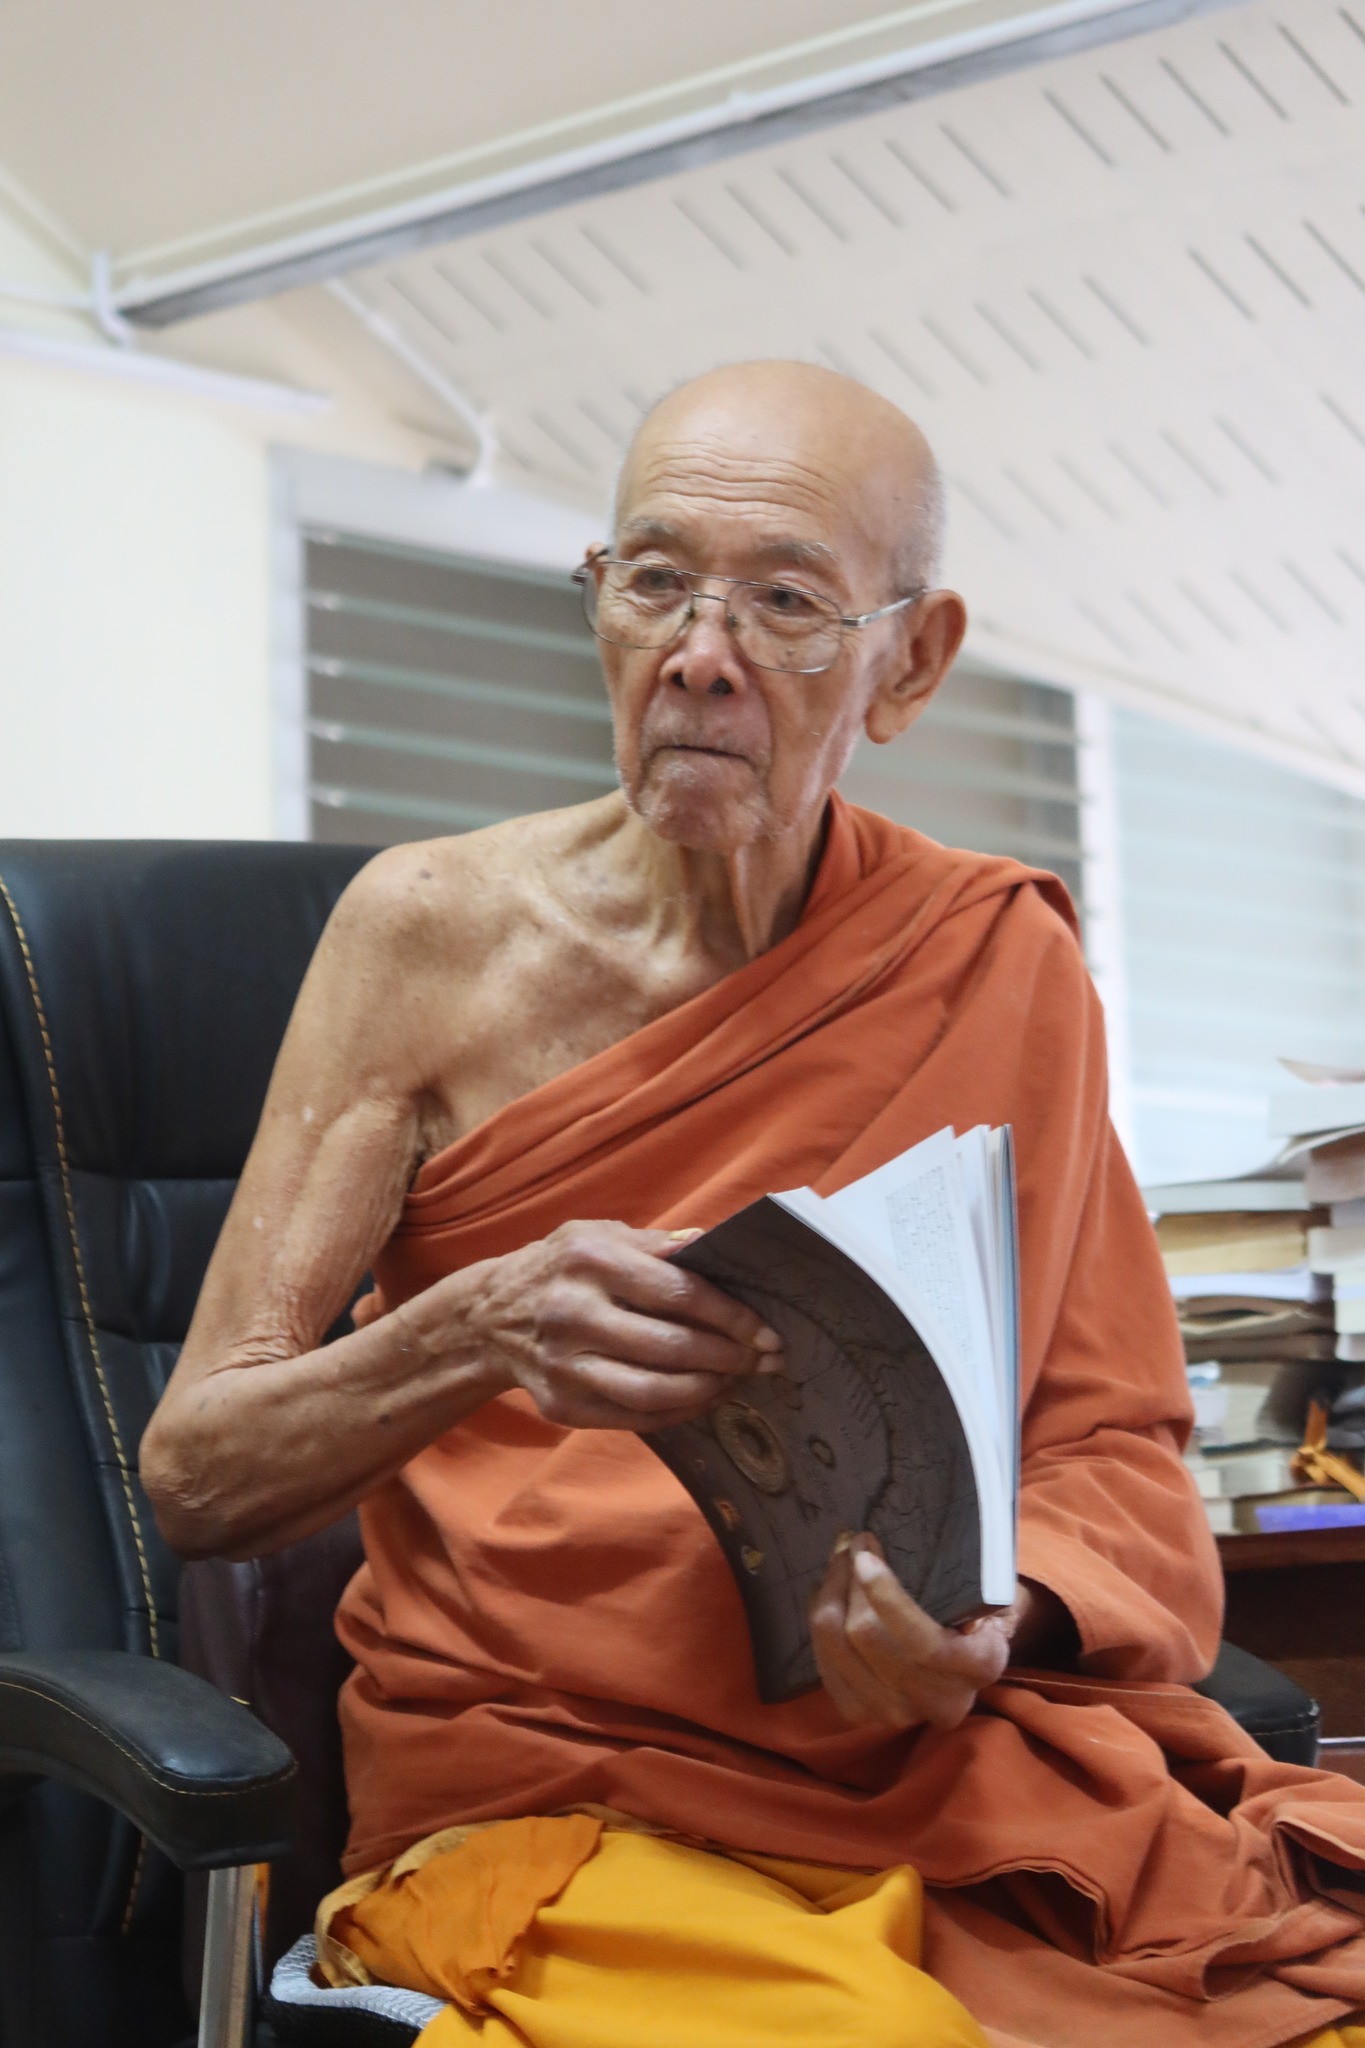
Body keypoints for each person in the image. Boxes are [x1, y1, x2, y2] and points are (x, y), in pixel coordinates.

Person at [142, 361, 1365, 2048]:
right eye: (654, 581)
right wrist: (474, 1327)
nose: (697, 654)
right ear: (598, 604)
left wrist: (995, 1618)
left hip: (935, 1768)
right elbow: (198, 1470)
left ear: (907, 664)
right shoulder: (424, 937)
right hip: (558, 1791)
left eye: (785, 603)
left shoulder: (993, 955)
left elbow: (1109, 1447)